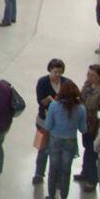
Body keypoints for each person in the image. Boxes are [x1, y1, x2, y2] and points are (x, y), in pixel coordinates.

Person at [43, 81, 87, 199]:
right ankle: (64, 198)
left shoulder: (54, 106)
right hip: (70, 142)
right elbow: (83, 129)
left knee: (53, 170)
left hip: (55, 140)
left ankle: (51, 197)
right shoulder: (81, 109)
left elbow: (47, 126)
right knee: (66, 171)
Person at [75, 64, 100, 192]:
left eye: (93, 75)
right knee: (87, 149)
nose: (89, 77)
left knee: (93, 153)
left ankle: (92, 180)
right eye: (88, 74)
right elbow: (81, 97)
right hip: (86, 123)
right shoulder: (88, 84)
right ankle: (85, 172)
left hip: (95, 126)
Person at [33, 58, 71, 186]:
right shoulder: (42, 82)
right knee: (42, 149)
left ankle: (58, 178)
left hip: (59, 123)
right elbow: (40, 102)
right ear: (50, 70)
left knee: (58, 152)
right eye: (55, 72)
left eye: (60, 72)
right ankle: (38, 173)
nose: (58, 75)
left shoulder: (66, 83)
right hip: (43, 121)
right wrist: (49, 100)